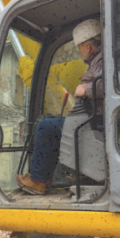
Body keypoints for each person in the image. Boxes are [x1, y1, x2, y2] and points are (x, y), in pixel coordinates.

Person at [16, 18, 104, 195]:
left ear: (87, 47)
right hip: (90, 117)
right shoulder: (102, 59)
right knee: (54, 125)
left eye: (79, 47)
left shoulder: (102, 61)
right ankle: (44, 178)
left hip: (93, 122)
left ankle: (38, 180)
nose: (79, 52)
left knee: (43, 126)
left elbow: (106, 86)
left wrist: (84, 89)